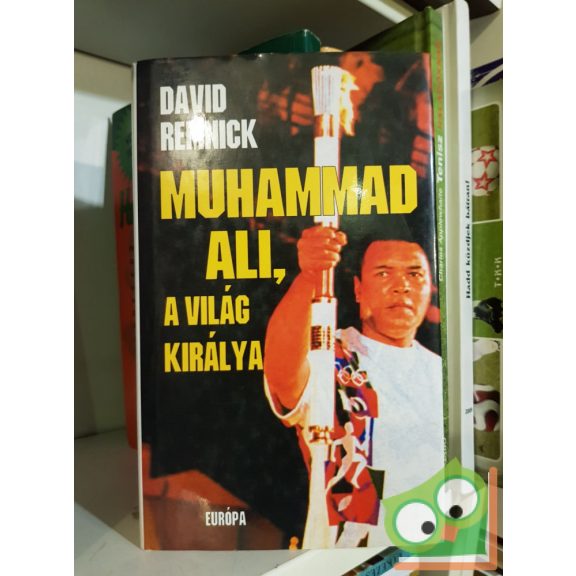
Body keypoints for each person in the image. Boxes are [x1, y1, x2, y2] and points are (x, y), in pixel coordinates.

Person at [263, 224, 445, 548]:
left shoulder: (441, 373)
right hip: (349, 560)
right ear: (359, 290)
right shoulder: (334, 356)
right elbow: (283, 374)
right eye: (384, 274)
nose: (402, 286)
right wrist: (310, 277)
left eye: (415, 275)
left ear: (429, 289)